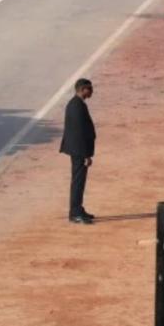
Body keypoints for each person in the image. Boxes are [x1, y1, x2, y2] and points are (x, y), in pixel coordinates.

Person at [60, 78, 95, 224]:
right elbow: (79, 132)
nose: (91, 92)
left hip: (78, 149)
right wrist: (86, 155)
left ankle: (78, 209)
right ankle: (75, 213)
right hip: (79, 151)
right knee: (78, 182)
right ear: (82, 89)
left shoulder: (77, 104)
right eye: (89, 89)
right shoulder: (77, 106)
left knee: (79, 181)